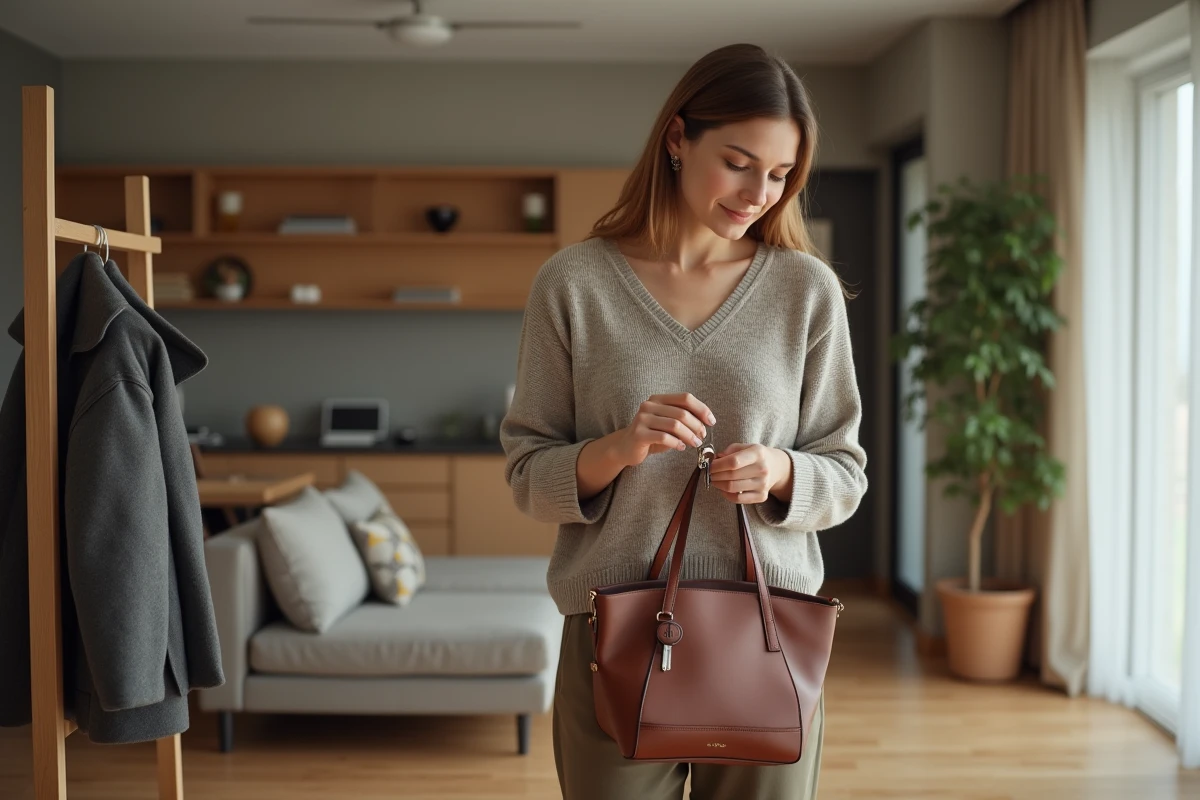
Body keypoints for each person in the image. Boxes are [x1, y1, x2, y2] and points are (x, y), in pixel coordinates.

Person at [499, 42, 868, 800]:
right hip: (616, 633)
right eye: (738, 162)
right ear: (677, 138)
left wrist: (782, 470)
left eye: (779, 175)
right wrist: (619, 448)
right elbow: (526, 476)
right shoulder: (574, 284)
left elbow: (846, 472)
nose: (759, 191)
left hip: (769, 631)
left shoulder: (807, 290)